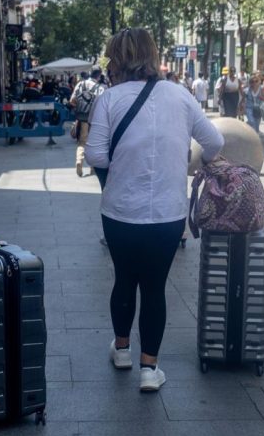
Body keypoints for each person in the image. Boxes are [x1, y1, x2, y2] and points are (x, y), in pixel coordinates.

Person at [85, 28, 224, 392]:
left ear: (117, 59)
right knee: (155, 287)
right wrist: (195, 162)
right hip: (167, 214)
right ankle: (150, 369)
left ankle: (122, 350)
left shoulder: (109, 99)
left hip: (119, 212)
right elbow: (215, 141)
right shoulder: (180, 95)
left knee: (124, 280)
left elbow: (96, 155)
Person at [69, 66, 106, 177]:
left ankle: (79, 161)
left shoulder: (80, 84)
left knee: (82, 142)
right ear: (99, 76)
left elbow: (72, 101)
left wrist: (80, 108)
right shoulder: (101, 88)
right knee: (93, 144)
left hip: (82, 119)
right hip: (95, 121)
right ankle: (92, 169)